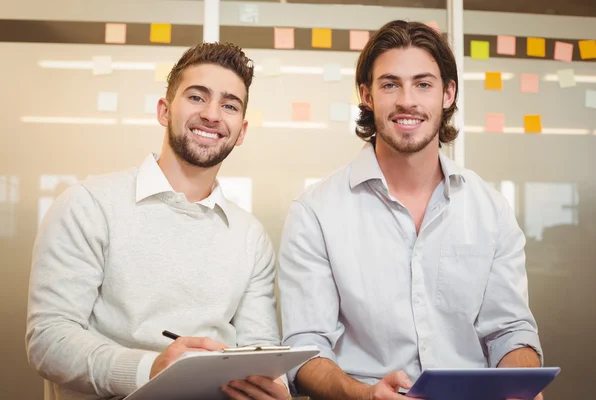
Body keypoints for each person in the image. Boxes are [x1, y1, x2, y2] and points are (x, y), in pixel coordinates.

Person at [277, 20, 544, 400]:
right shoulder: (314, 212)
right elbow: (305, 350)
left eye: (423, 84)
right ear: (366, 96)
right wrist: (365, 395)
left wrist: (519, 384)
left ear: (448, 93)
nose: (407, 100)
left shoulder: (491, 209)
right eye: (390, 84)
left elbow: (510, 331)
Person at [26, 42, 290, 400]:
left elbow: (260, 346)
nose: (212, 115)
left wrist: (274, 387)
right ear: (164, 111)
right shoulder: (87, 205)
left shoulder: (249, 236)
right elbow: (49, 340)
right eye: (197, 97)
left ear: (240, 131)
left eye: (229, 105)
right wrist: (150, 369)